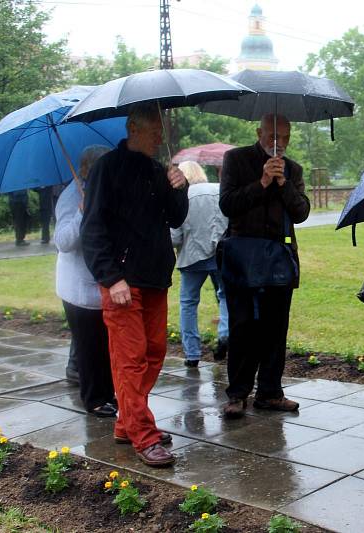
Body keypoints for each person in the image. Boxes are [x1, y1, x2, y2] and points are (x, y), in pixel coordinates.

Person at [80, 102, 188, 467]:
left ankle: (127, 422)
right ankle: (144, 436)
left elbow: (175, 218)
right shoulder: (106, 170)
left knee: (153, 354)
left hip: (155, 278)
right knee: (130, 360)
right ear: (133, 128)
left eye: (161, 129)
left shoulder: (158, 170)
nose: (162, 135)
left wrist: (180, 188)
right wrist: (111, 278)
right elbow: (92, 229)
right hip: (123, 282)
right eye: (155, 129)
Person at [219, 113, 310, 418]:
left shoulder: (293, 169)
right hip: (242, 257)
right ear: (259, 132)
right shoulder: (236, 159)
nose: (279, 144)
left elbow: (301, 212)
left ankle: (270, 391)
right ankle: (237, 393)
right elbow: (228, 205)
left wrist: (282, 183)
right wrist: (261, 182)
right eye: (273, 136)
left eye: (284, 137)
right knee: (242, 325)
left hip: (278, 259)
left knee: (275, 327)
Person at [54, 145, 116, 417]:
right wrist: (81, 211)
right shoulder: (71, 195)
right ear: (86, 169)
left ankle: (108, 393)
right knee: (89, 347)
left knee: (105, 345)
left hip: (101, 281)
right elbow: (63, 241)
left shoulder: (104, 189)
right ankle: (94, 399)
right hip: (78, 287)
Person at [170, 161, 229, 368]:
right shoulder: (220, 190)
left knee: (188, 303)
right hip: (222, 254)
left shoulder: (182, 197)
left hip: (192, 257)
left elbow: (175, 236)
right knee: (225, 295)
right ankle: (225, 334)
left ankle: (192, 353)